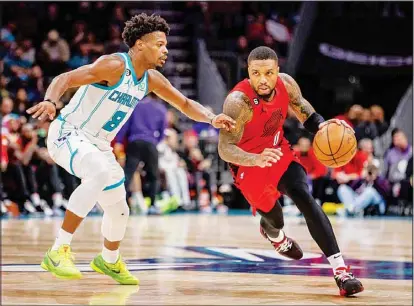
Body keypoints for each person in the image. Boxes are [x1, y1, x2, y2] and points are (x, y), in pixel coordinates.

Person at [27, 13, 235, 285]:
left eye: (166, 44)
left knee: (119, 209)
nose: (166, 49)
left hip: (99, 145)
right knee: (99, 173)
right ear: (139, 44)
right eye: (159, 44)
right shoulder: (113, 65)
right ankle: (57, 251)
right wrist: (51, 101)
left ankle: (109, 260)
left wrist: (211, 118)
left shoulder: (150, 79)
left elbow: (184, 103)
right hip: (69, 133)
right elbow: (64, 78)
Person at [217, 46, 363, 297]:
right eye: (256, 73)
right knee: (275, 219)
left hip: (279, 152)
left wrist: (322, 125)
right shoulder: (237, 102)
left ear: (277, 72)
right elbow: (224, 148)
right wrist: (255, 159)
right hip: (248, 166)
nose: (263, 79)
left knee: (303, 196)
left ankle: (341, 271)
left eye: (269, 73)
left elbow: (305, 111)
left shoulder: (287, 84)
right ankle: (275, 235)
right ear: (248, 73)